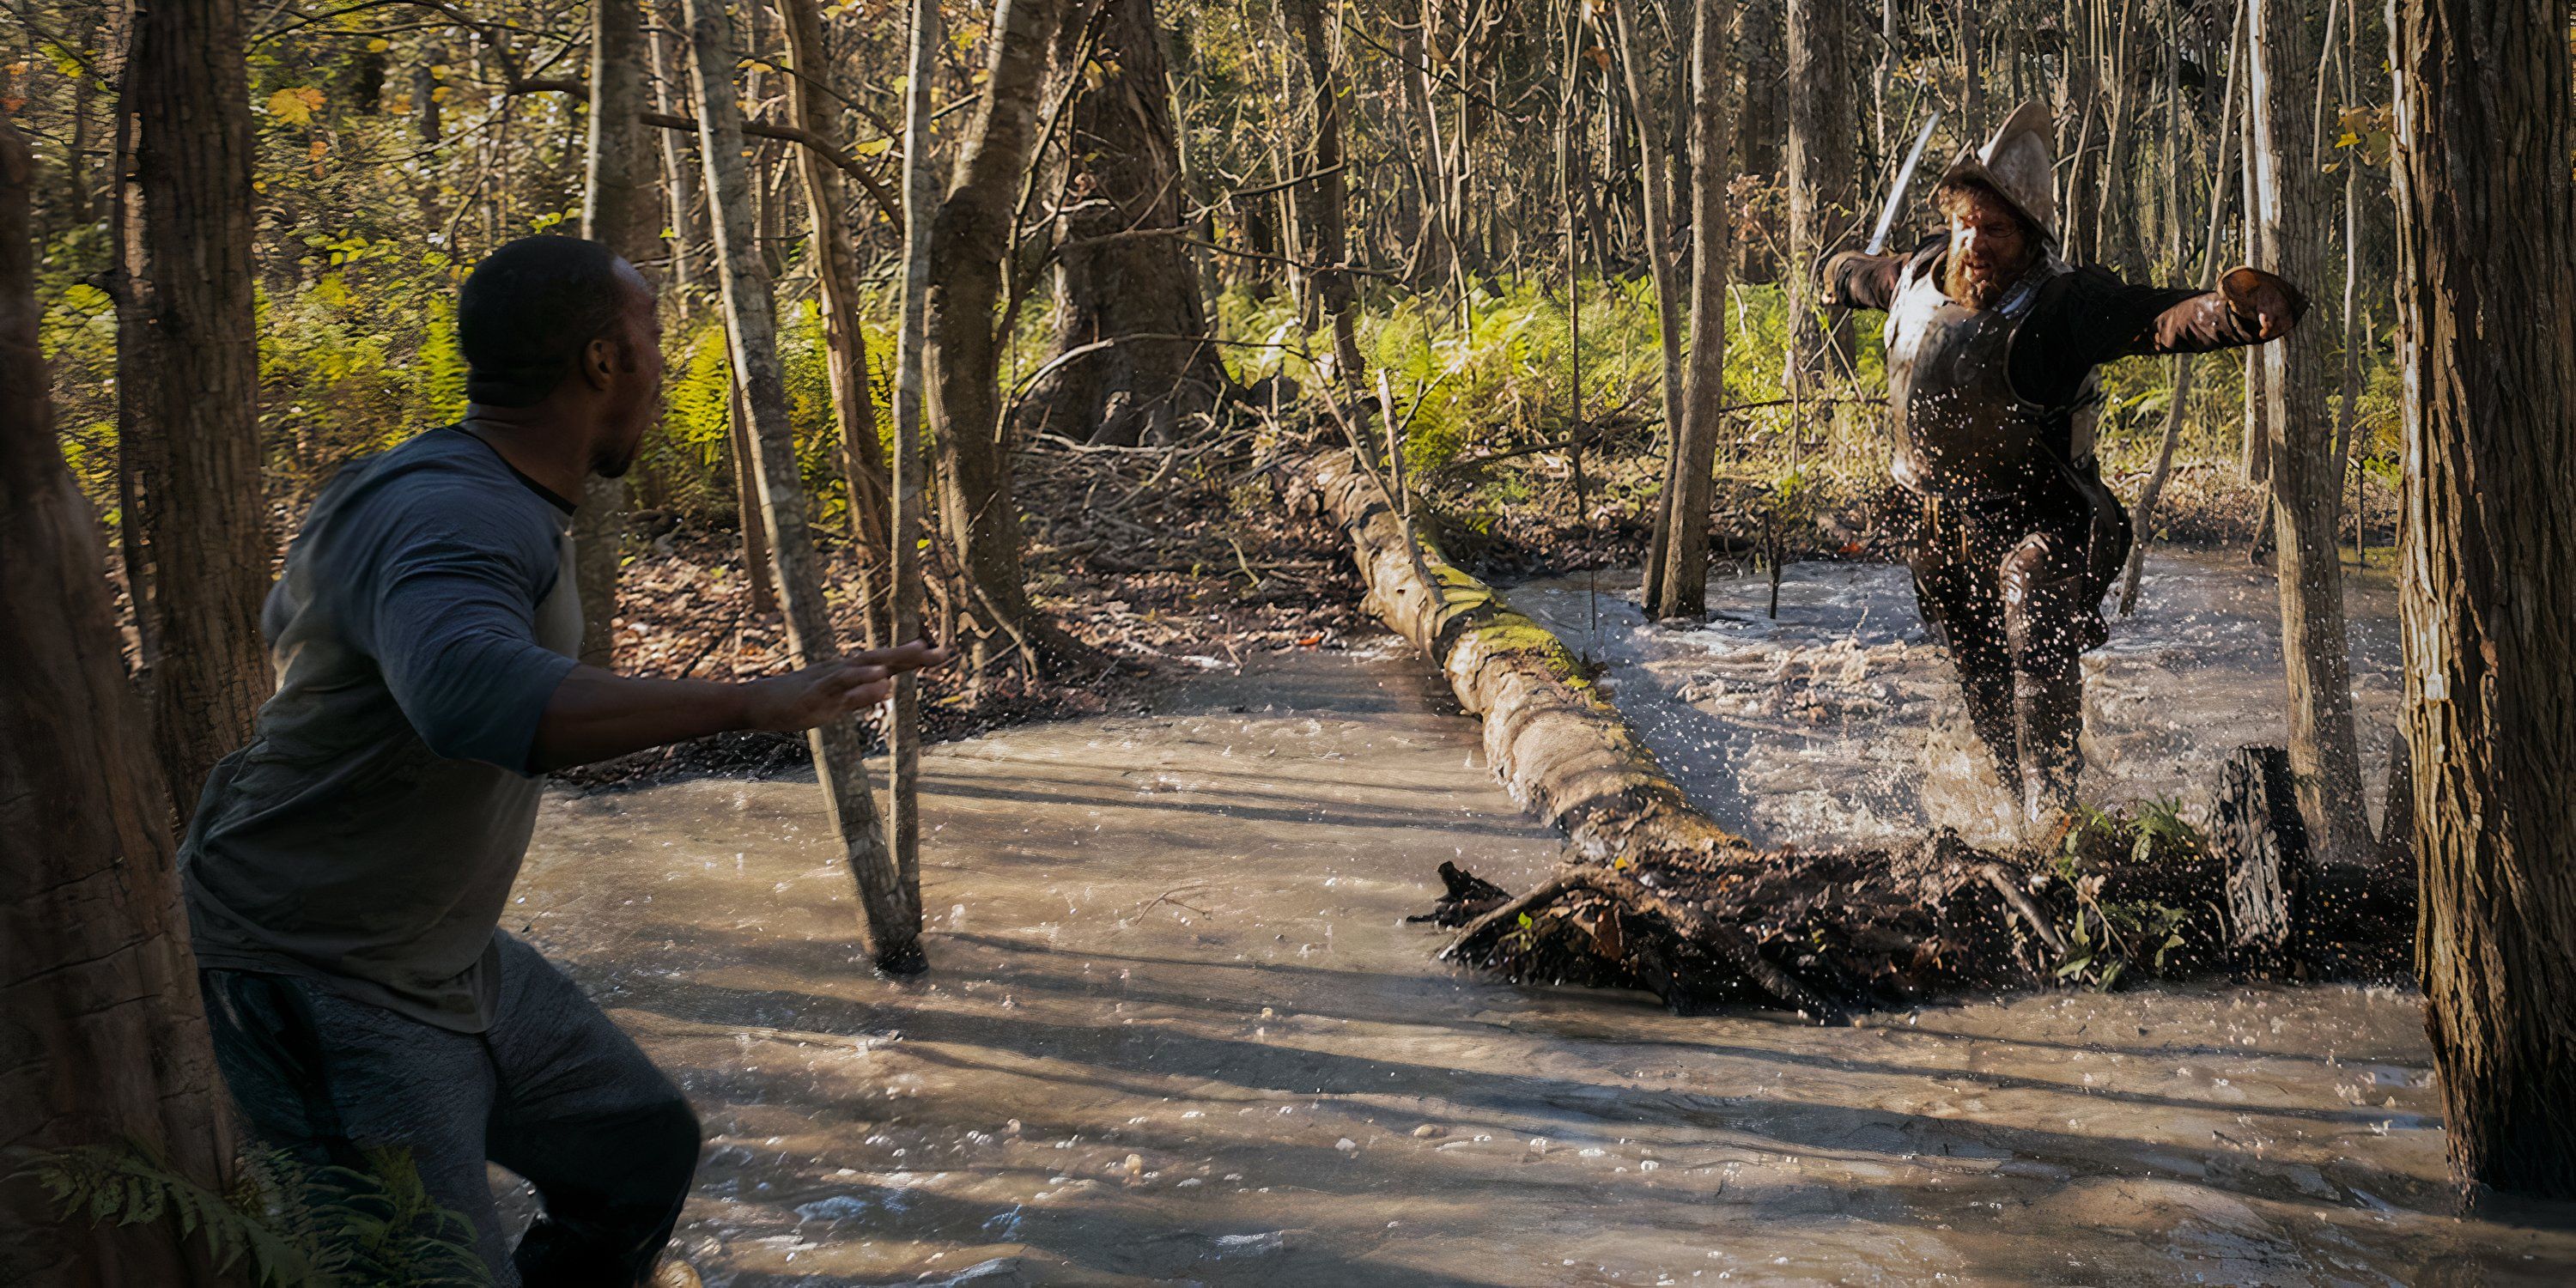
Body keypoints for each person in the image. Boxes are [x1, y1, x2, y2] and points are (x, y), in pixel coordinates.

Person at [178, 235, 945, 1287]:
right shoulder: (458, 509)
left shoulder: (446, 484)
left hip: (445, 954)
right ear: (601, 363)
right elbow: (467, 694)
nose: (663, 367)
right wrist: (748, 701)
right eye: (653, 341)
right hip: (320, 971)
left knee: (636, 1154)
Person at [1821, 102, 2306, 823]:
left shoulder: (2062, 303)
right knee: (1982, 675)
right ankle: (2013, 808)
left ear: (2027, 235)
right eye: (1967, 224)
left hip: (2050, 519)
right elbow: (1859, 276)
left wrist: (2237, 312)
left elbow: (2160, 319)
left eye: (1996, 229)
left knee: (2031, 591)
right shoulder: (1919, 275)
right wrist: (1833, 269)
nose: (1975, 242)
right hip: (1941, 521)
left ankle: (2056, 820)